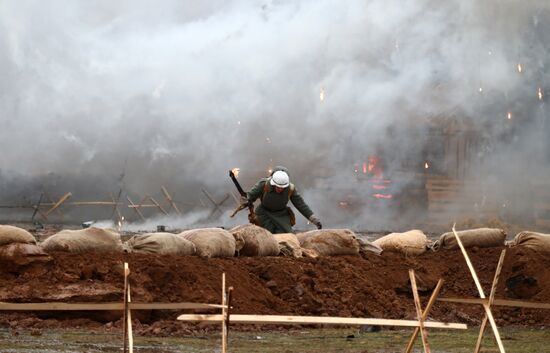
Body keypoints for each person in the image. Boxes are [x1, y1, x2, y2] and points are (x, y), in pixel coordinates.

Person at [242, 166, 322, 234]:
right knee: (266, 235)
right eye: (277, 187)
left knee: (287, 236)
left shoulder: (291, 189)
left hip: (281, 215)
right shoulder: (264, 184)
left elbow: (300, 205)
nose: (280, 189)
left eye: (282, 188)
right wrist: (247, 200)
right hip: (263, 214)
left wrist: (314, 219)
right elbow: (251, 195)